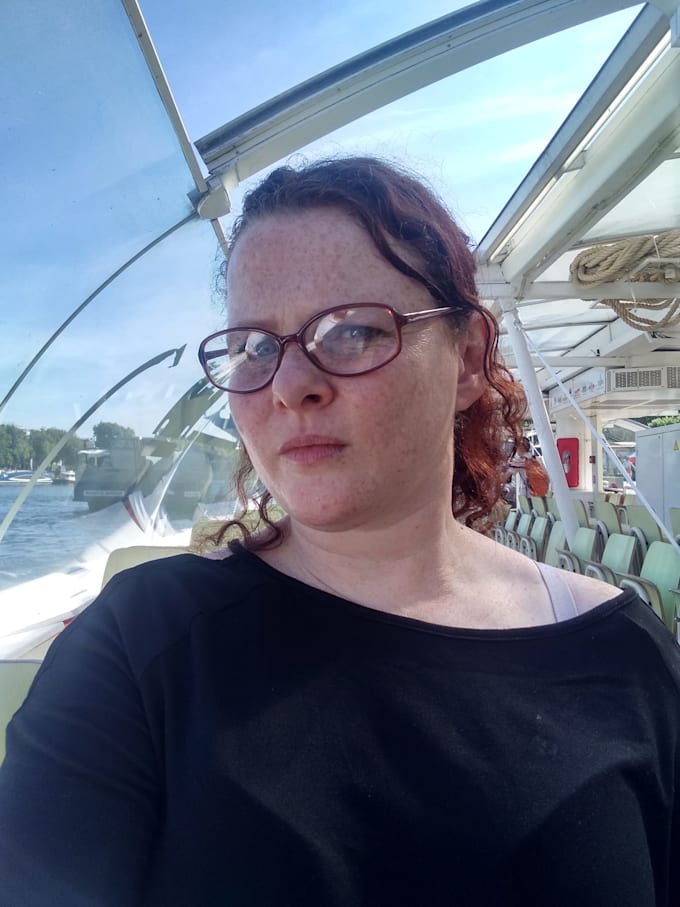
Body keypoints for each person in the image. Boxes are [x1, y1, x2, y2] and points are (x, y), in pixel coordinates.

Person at [1, 157, 678, 906]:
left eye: (352, 331)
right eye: (254, 347)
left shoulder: (624, 657)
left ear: (468, 359)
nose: (291, 386)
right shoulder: (138, 648)